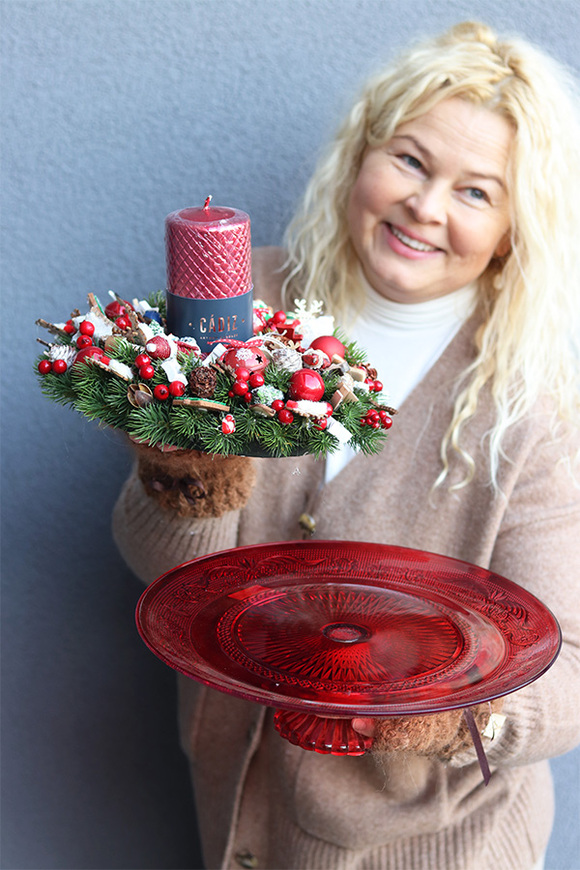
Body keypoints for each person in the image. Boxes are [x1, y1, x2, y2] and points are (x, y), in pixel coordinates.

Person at [113, 21, 580, 870]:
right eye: (409, 160)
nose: (426, 206)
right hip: (237, 809)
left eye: (476, 192)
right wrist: (187, 473)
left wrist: (439, 712)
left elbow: (571, 666)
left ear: (516, 230)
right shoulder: (238, 304)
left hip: (432, 841)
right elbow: (166, 576)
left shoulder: (531, 403)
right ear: (361, 156)